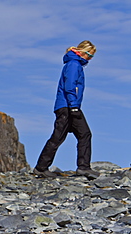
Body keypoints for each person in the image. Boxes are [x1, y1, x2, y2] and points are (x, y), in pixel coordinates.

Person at [34, 40, 99, 180]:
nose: (90, 59)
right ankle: (81, 167)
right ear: (83, 52)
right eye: (90, 55)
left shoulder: (74, 64)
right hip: (68, 107)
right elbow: (70, 86)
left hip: (68, 106)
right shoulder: (74, 65)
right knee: (76, 135)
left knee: (73, 135)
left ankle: (43, 167)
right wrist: (74, 106)